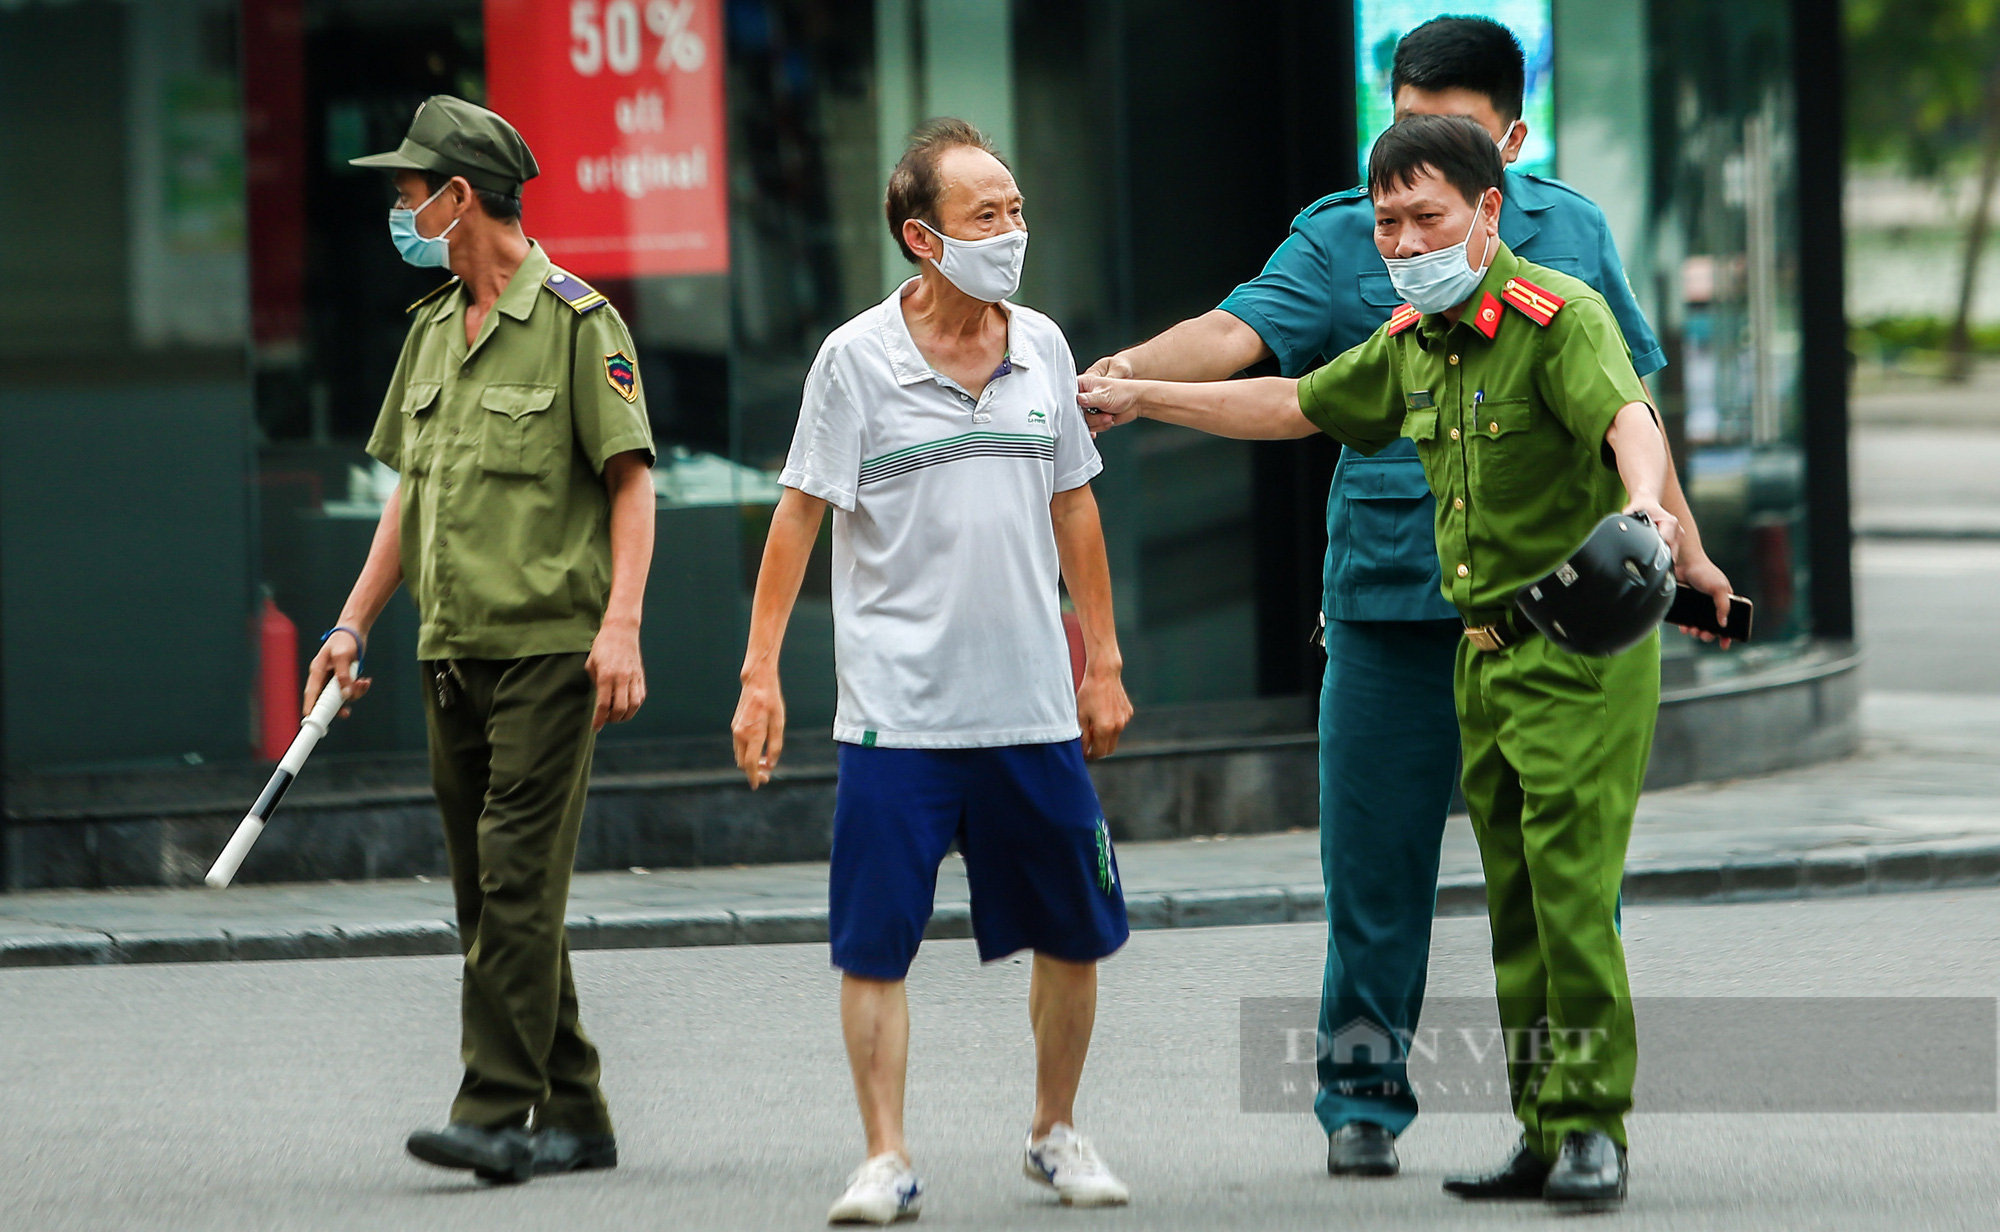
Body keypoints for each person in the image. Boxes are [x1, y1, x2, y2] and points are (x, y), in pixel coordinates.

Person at [1082, 14, 1731, 1179]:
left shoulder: (1561, 261)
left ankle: (1576, 1123)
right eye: (1392, 192)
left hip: (1563, 620)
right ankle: (1370, 1097)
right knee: (1380, 869)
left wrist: (1670, 536)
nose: (1402, 228)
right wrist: (1128, 385)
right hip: (1400, 605)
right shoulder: (1368, 264)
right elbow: (1264, 373)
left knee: (1561, 884)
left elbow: (1623, 403)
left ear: (1496, 175)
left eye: (1431, 195)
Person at [730, 118, 1134, 1225]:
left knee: (1073, 928)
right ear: (921, 235)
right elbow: (796, 519)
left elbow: (1074, 507)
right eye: (984, 215)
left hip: (1031, 709)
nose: (1010, 232)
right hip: (894, 718)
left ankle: (1053, 1129)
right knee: (873, 944)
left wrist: (1101, 659)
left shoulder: (1042, 347)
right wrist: (759, 673)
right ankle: (884, 1156)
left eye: (1014, 210)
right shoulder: (854, 361)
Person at [309, 95, 657, 1184]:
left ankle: (494, 1110)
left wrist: (621, 627)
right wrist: (350, 621)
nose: (398, 209)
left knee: (511, 879)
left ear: (461, 198)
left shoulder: (576, 321)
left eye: (410, 192)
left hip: (550, 648)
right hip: (446, 648)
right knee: (492, 893)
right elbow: (408, 502)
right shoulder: (427, 333)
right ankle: (580, 1110)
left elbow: (630, 485)